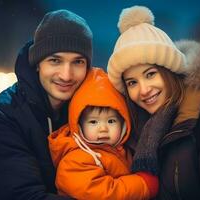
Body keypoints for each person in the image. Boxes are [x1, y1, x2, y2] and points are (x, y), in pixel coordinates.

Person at [107, 6, 200, 200]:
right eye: (132, 82)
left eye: (150, 74)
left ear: (169, 70)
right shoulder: (139, 132)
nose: (144, 89)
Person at [0, 9, 93, 200]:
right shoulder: (2, 116)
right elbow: (23, 196)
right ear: (38, 63)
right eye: (55, 60)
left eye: (77, 62)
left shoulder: (89, 112)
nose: (66, 75)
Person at [48, 67, 159, 199]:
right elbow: (102, 194)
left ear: (124, 123)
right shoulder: (75, 160)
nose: (103, 129)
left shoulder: (123, 150)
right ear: (78, 125)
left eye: (111, 121)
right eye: (93, 122)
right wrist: (143, 185)